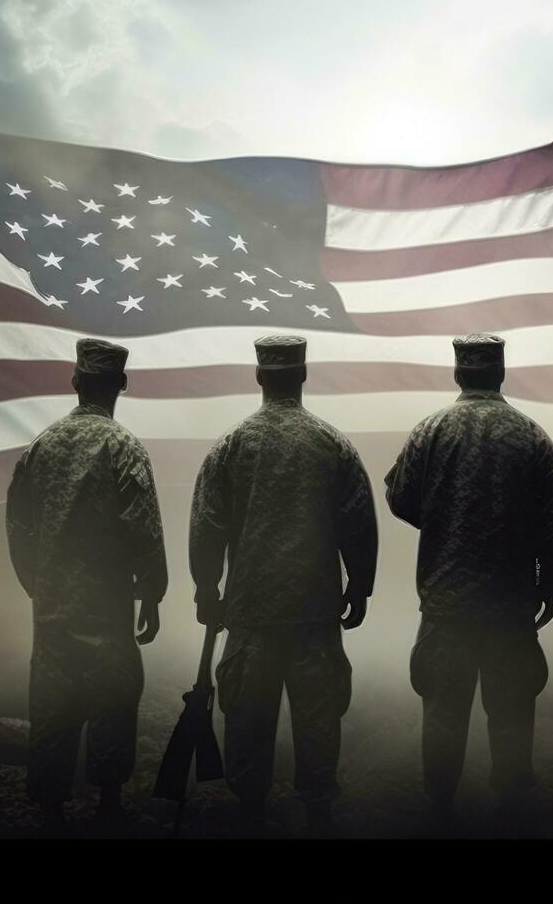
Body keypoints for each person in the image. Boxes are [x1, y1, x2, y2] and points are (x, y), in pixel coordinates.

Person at [384, 334, 553, 830]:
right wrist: (551, 580)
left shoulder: (431, 431)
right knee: (511, 713)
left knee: (444, 711)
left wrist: (443, 516)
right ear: (501, 373)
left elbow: (401, 499)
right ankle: (511, 807)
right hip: (511, 608)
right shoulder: (532, 436)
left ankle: (440, 808)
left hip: (447, 607)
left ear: (458, 373)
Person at [188, 334, 378, 836]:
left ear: (258, 376)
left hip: (249, 613)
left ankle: (251, 813)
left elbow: (207, 525)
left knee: (247, 721)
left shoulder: (231, 445)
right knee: (318, 720)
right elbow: (358, 521)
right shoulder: (332, 444)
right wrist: (360, 584)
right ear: (303, 374)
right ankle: (318, 812)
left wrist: (207, 590)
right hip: (315, 613)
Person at [5, 337, 167, 834]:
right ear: (122, 384)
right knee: (114, 698)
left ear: (75, 381)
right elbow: (143, 525)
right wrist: (153, 591)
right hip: (107, 605)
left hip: (53, 605)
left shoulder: (42, 446)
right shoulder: (123, 446)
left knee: (52, 703)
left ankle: (51, 808)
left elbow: (18, 523)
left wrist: (35, 582)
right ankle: (109, 803)